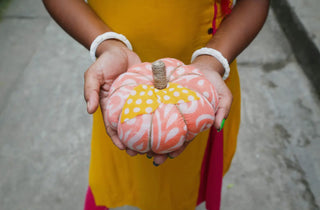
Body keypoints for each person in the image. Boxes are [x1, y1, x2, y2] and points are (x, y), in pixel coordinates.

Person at [42, 0, 269, 209]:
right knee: (124, 170)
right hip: (122, 78)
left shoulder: (204, 85)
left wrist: (214, 59)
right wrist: (106, 44)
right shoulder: (120, 92)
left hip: (202, 78)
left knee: (185, 180)